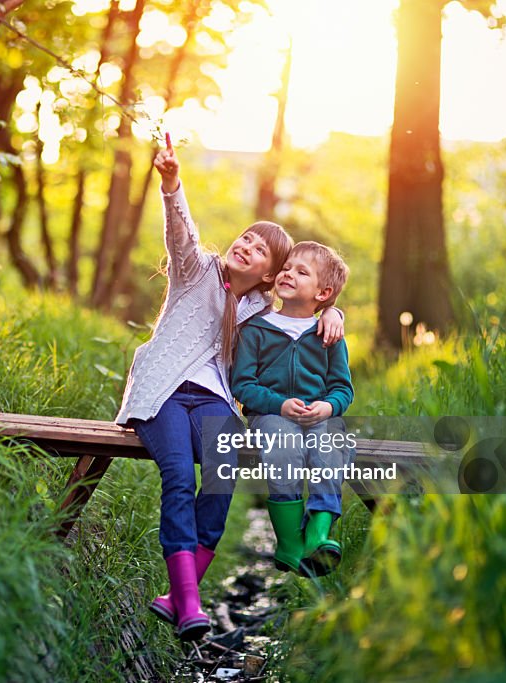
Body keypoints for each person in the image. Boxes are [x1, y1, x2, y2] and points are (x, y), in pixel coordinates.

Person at [115, 138, 344, 641]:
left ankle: (179, 597)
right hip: (165, 394)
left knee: (221, 477)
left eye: (260, 250)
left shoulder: (261, 310)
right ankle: (190, 604)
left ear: (270, 273)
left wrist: (334, 311)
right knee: (178, 475)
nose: (246, 247)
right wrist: (171, 183)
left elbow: (304, 308)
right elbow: (181, 233)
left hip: (213, 401)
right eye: (246, 239)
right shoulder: (196, 270)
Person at [230, 241, 354, 577]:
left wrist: (329, 408)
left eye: (302, 272)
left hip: (320, 419)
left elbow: (343, 388)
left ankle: (317, 534)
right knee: (283, 445)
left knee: (331, 446)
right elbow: (242, 384)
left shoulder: (328, 333)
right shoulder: (256, 328)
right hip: (270, 416)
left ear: (323, 293)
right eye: (287, 267)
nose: (288, 273)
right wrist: (279, 404)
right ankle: (288, 542)